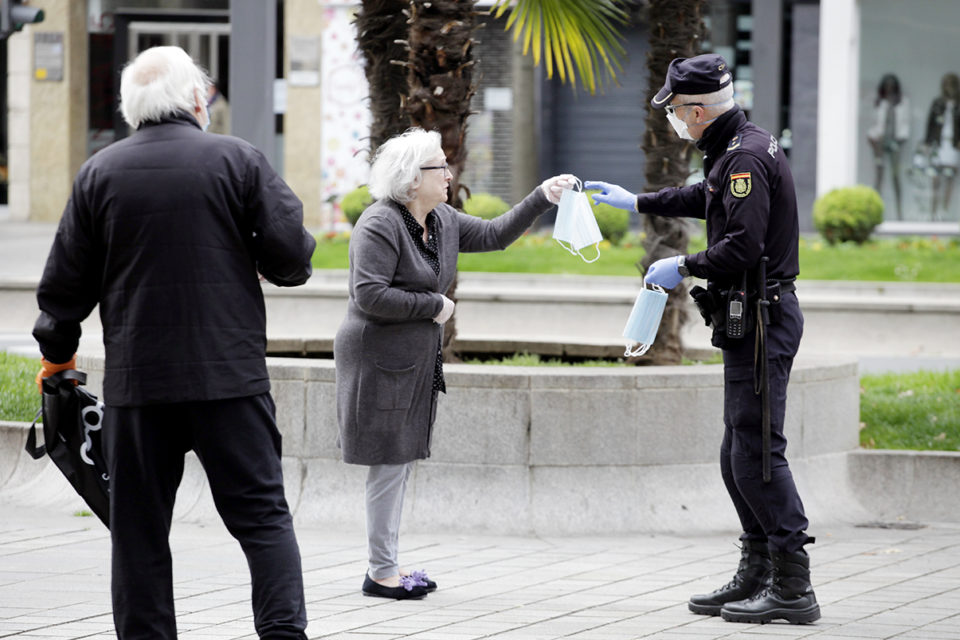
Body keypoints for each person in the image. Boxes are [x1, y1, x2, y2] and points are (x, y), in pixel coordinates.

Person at [33, 46, 314, 640]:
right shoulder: (238, 160)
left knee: (138, 533)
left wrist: (57, 361)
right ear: (197, 99)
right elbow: (294, 256)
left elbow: (62, 292)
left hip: (141, 386)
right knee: (263, 519)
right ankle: (284, 633)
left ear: (131, 109)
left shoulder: (98, 174)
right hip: (229, 382)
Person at [585, 54, 819, 625]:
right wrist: (638, 200)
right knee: (738, 449)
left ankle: (793, 585)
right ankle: (757, 569)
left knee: (757, 452)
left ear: (695, 110)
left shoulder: (740, 157)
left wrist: (681, 265)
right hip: (752, 316)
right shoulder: (738, 144)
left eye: (675, 110)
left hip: (763, 316)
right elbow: (705, 198)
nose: (673, 120)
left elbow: (740, 246)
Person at [334, 127, 573, 600]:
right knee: (388, 462)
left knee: (399, 461)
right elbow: (369, 294)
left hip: (413, 360)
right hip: (378, 358)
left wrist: (542, 196)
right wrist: (434, 306)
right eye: (439, 166)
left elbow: (493, 234)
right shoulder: (379, 223)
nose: (449, 173)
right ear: (410, 178)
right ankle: (381, 572)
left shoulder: (440, 217)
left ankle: (385, 564)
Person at [866, 73, 910, 219]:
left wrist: (900, 139)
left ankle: (899, 213)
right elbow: (873, 124)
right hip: (880, 142)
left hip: (895, 142)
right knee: (879, 176)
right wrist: (873, 137)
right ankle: (874, 213)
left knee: (895, 176)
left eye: (892, 85)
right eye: (887, 85)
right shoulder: (879, 102)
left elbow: (905, 124)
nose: (889, 88)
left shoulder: (902, 102)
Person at [924, 72, 960, 217]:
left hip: (953, 144)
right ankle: (934, 210)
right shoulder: (938, 103)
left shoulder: (958, 105)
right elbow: (930, 123)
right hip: (938, 143)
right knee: (936, 178)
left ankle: (945, 210)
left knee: (950, 177)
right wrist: (927, 142)